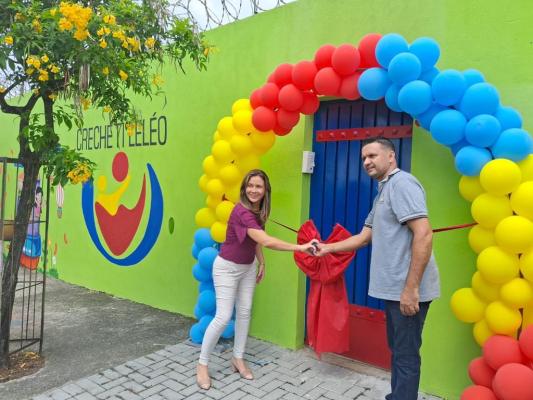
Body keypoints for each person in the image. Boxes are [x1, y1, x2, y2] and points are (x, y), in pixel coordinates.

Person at [315, 137, 440, 400]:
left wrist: (411, 288)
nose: (366, 162)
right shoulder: (384, 190)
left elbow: (424, 234)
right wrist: (327, 248)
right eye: (363, 158)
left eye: (372, 155)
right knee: (398, 349)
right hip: (396, 290)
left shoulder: (402, 184)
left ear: (391, 156)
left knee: (405, 355)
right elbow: (363, 236)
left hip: (406, 290)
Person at [196, 169, 317, 390]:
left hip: (248, 267)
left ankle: (238, 358)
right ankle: (202, 365)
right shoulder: (242, 212)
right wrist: (300, 247)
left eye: (258, 186)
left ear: (265, 190)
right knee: (223, 317)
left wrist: (261, 262)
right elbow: (267, 240)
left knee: (244, 312)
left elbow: (256, 242)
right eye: (250, 186)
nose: (253, 190)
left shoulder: (258, 211)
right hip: (227, 268)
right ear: (244, 188)